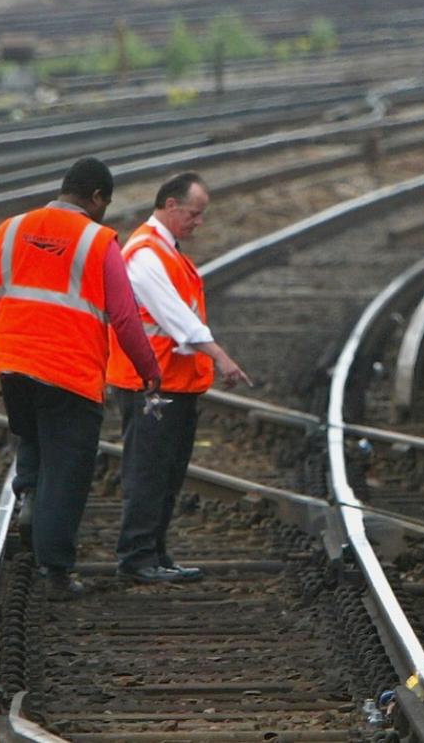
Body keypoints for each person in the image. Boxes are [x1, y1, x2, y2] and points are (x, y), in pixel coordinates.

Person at [0, 157, 161, 600]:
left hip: (14, 367)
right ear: (96, 197)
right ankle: (56, 570)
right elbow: (124, 315)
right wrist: (148, 368)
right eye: (105, 204)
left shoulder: (10, 230)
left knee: (34, 438)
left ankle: (28, 500)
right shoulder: (98, 242)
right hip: (70, 372)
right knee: (69, 470)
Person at [107, 172, 251, 583]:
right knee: (149, 471)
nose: (198, 221)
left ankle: (155, 552)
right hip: (150, 384)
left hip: (173, 382)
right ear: (170, 206)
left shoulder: (167, 251)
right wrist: (220, 356)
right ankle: (136, 558)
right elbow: (176, 318)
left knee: (167, 472)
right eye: (194, 213)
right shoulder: (145, 255)